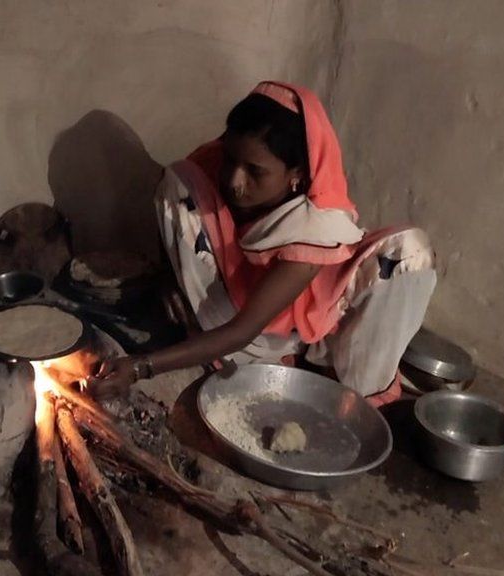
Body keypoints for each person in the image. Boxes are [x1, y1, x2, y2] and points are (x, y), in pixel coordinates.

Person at [90, 81, 436, 406]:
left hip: (277, 330)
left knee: (408, 253)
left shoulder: (313, 228)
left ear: (296, 173)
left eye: (255, 171)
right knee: (179, 183)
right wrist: (169, 277)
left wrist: (141, 367)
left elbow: (243, 329)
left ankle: (356, 400)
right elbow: (175, 211)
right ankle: (229, 345)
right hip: (233, 311)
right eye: (231, 159)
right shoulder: (213, 167)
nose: (235, 181)